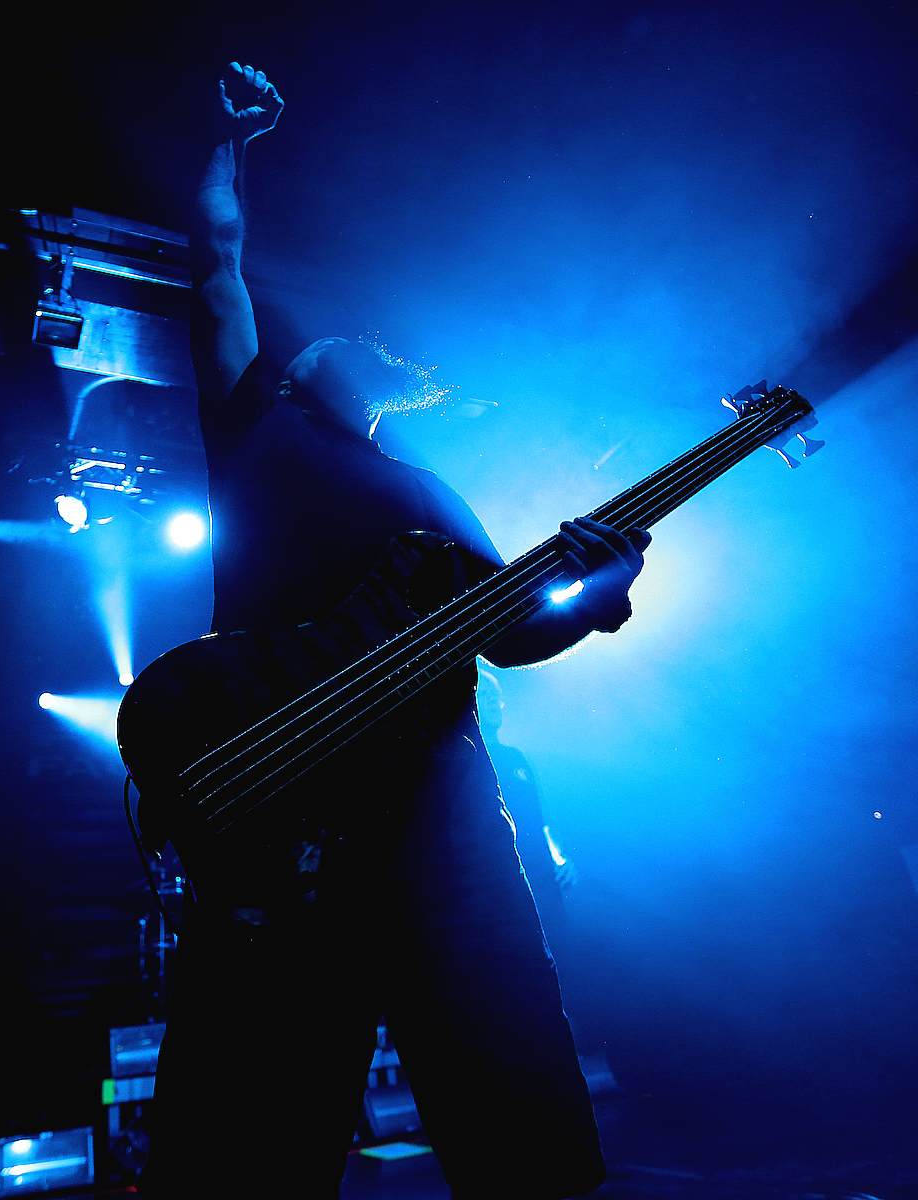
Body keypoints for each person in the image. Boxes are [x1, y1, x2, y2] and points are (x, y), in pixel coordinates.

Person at [136, 64, 650, 1199]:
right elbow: (216, 259)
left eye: (345, 343)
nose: (324, 340)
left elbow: (512, 638)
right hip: (283, 804)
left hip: (441, 812)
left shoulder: (432, 496)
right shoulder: (255, 427)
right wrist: (229, 144)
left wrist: (602, 594)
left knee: (519, 1117)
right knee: (251, 1129)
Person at [476, 666, 577, 940]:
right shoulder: (467, 759)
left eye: (496, 695)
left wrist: (560, 858)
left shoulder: (515, 757)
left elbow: (542, 820)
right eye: (484, 694)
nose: (493, 701)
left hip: (543, 883)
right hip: (500, 887)